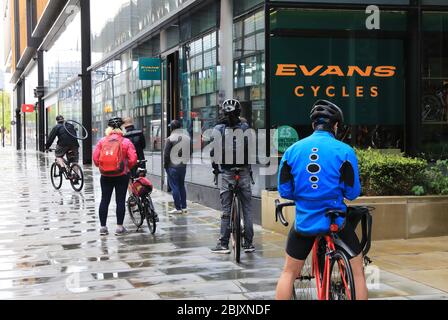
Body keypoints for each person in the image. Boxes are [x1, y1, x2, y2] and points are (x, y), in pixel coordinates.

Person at [275, 99, 368, 300]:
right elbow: (352, 193)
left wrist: (304, 196)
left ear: (313, 125)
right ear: (335, 126)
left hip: (305, 222)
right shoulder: (344, 151)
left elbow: (285, 191)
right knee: (358, 271)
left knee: (288, 273)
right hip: (336, 221)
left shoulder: (292, 150)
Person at [210, 99, 255, 254]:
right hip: (242, 172)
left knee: (226, 209)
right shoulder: (245, 127)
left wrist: (216, 169)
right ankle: (248, 244)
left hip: (227, 173)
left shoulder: (217, 128)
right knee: (247, 209)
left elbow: (213, 152)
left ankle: (223, 244)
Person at [93, 117, 137, 236]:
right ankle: (119, 227)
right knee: (120, 200)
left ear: (109, 129)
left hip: (105, 175)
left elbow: (96, 159)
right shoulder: (126, 141)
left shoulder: (102, 141)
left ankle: (103, 227)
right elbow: (133, 159)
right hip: (121, 175)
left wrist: (103, 166)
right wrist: (127, 167)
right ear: (121, 129)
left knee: (104, 200)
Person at [164, 120, 190, 214]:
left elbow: (166, 155)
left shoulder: (170, 139)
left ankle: (178, 208)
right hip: (182, 165)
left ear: (171, 128)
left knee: (174, 186)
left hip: (172, 166)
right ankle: (184, 207)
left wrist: (165, 166)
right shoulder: (187, 138)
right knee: (181, 185)